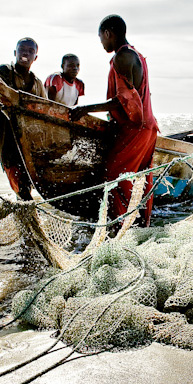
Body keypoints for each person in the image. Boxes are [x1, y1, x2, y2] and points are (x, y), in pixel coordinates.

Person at [68, 15, 158, 226]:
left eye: (101, 38)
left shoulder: (123, 56)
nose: (101, 43)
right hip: (147, 127)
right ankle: (141, 225)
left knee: (114, 176)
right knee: (140, 178)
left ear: (108, 33)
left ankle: (122, 226)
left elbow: (123, 101)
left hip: (134, 128)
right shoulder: (136, 54)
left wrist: (86, 109)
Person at [0, 38, 47, 199]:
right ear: (15, 53)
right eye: (22, 49)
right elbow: (6, 96)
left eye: (30, 51)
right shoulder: (4, 71)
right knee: (21, 189)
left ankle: (24, 219)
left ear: (35, 57)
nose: (25, 53)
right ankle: (30, 220)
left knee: (26, 187)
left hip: (29, 145)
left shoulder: (37, 83)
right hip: (8, 142)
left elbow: (43, 112)